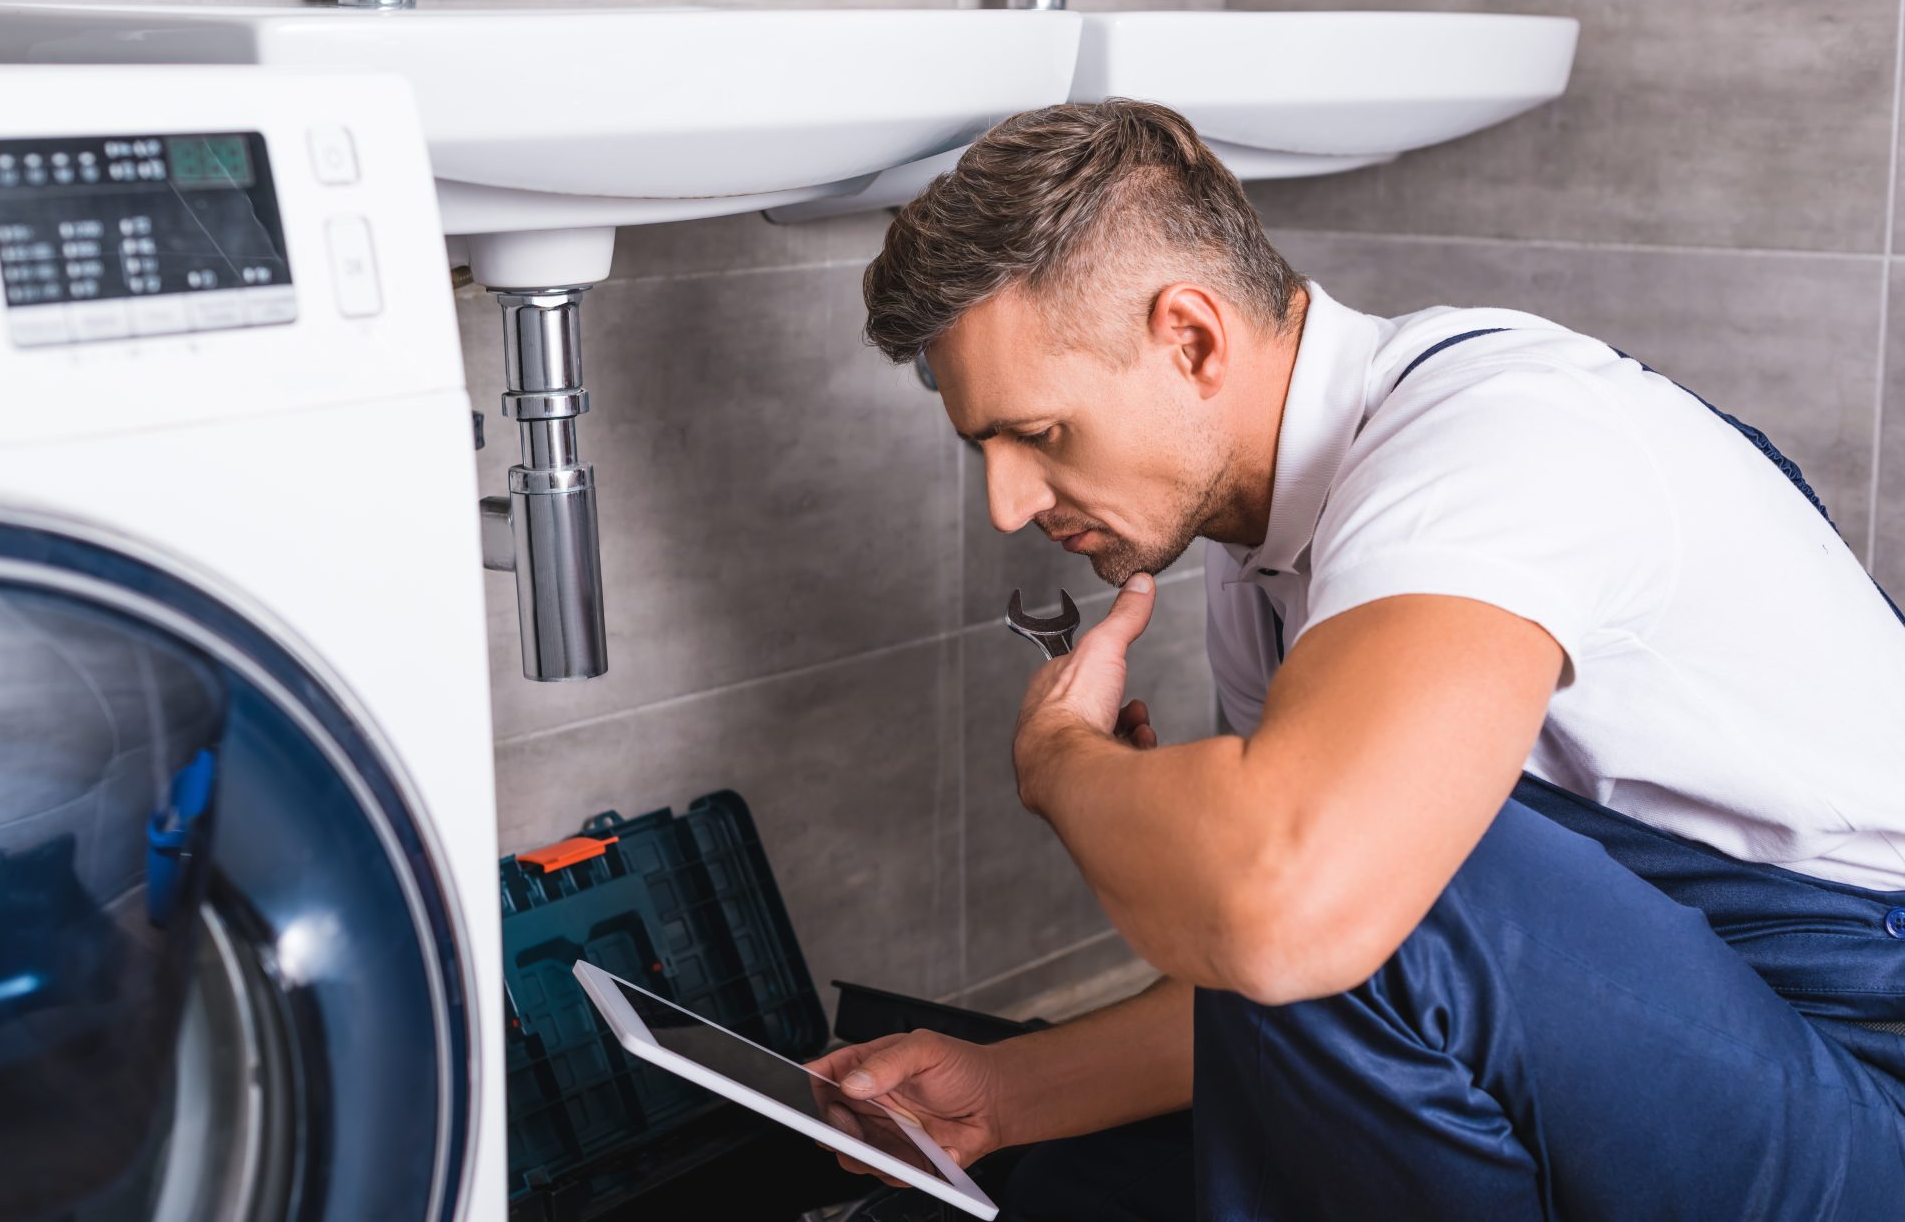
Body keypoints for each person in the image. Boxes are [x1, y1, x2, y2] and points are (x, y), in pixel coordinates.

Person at [806, 99, 1905, 1220]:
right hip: (1687, 1039)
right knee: (1069, 1191)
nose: (1007, 503)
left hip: (1869, 1072)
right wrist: (1006, 1096)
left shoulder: (1494, 444)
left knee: (1353, 871)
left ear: (1191, 339)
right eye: (983, 446)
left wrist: (1064, 764)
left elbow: (1313, 914)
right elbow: (1298, 979)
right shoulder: (1265, 546)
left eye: (1039, 436)